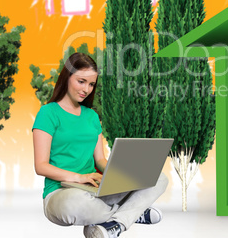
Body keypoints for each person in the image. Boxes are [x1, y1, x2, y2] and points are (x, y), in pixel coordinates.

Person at [32, 52, 169, 238]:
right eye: (81, 81)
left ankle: (111, 224)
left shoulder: (92, 116)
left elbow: (100, 159)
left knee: (158, 178)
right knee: (74, 203)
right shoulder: (48, 113)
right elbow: (41, 166)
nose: (86, 89)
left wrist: (123, 172)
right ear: (67, 76)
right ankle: (132, 213)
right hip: (62, 193)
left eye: (91, 84)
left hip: (95, 188)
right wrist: (78, 177)